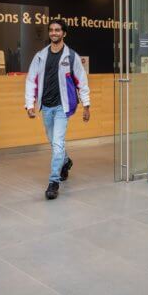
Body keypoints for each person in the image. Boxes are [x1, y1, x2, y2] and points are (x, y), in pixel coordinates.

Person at [25, 19, 91, 200]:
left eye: (57, 30)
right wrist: (30, 105)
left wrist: (86, 105)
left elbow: (82, 82)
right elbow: (31, 80)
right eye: (51, 30)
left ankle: (54, 182)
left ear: (64, 33)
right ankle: (66, 161)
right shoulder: (40, 55)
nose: (54, 33)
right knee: (54, 142)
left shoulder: (71, 56)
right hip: (45, 106)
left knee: (57, 142)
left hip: (63, 106)